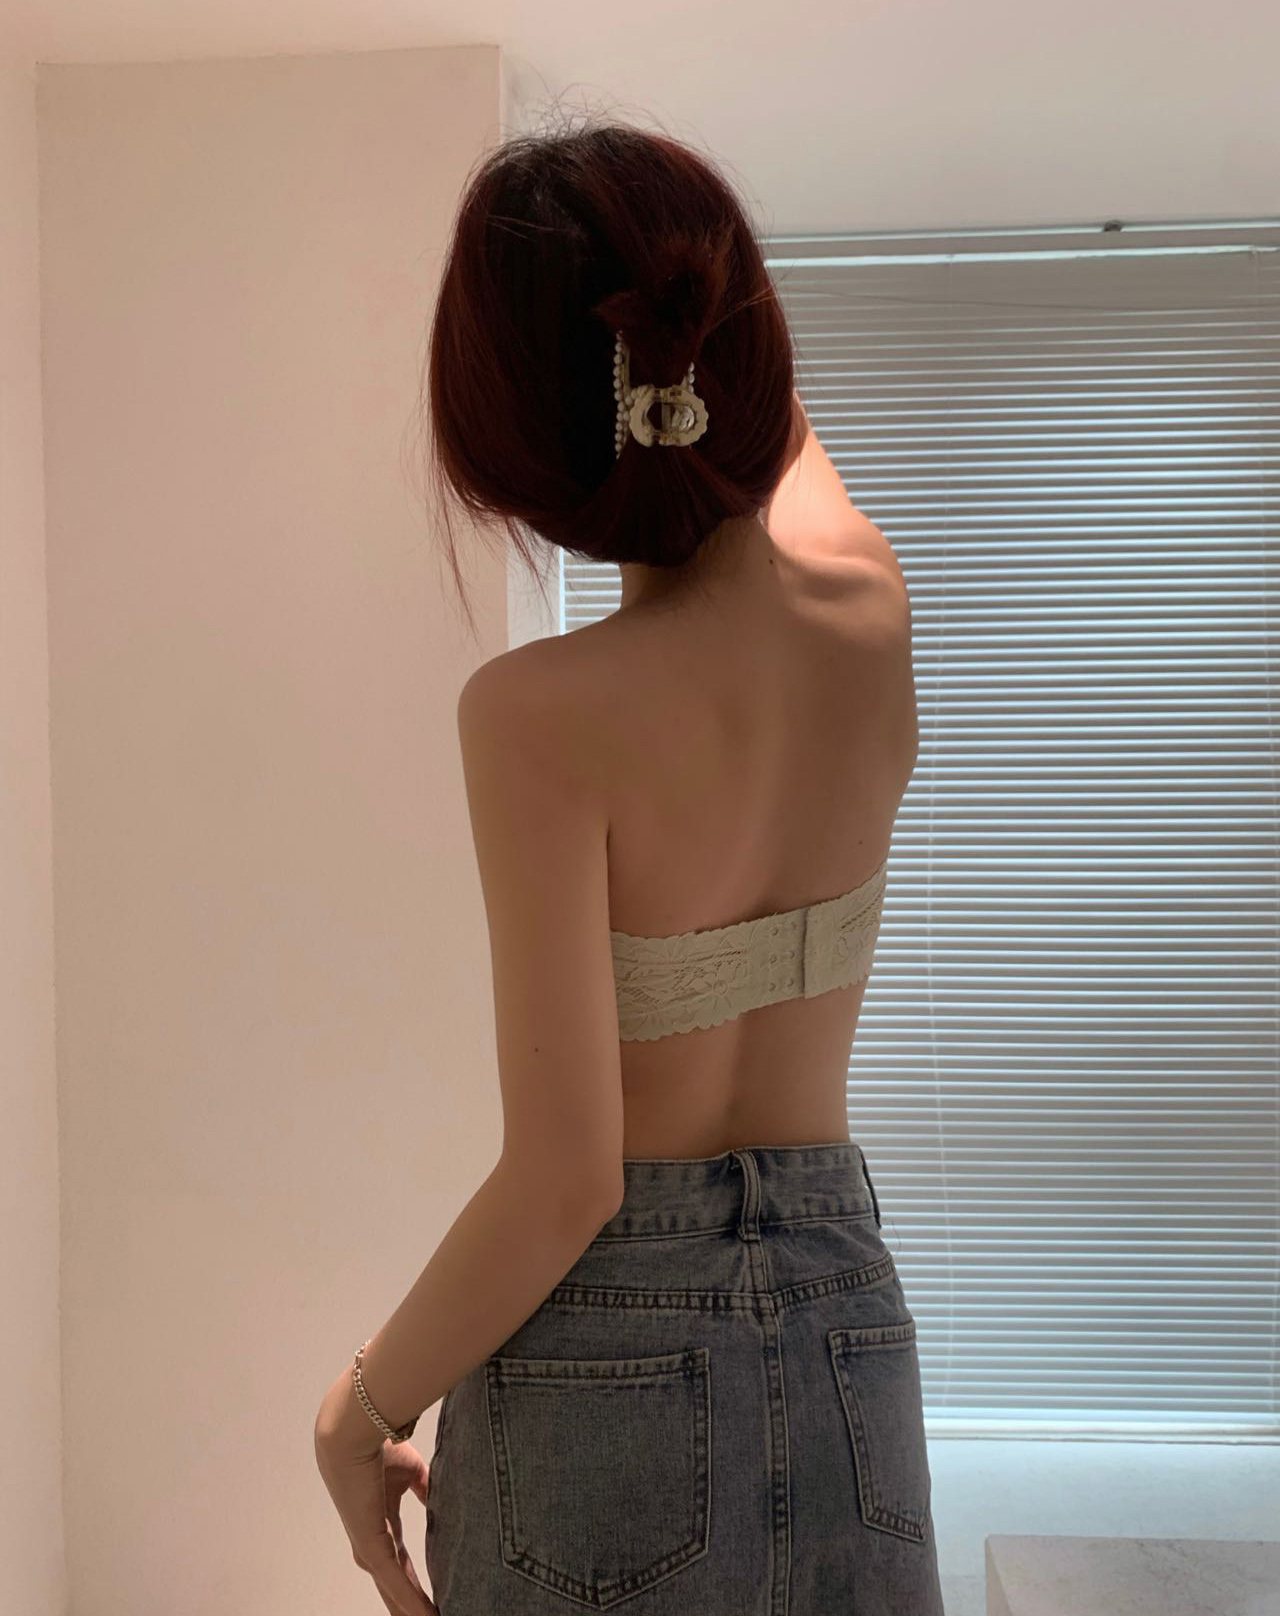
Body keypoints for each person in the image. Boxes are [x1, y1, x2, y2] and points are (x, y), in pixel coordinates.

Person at [313, 115, 945, 1616]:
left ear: (514, 438)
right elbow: (773, 428)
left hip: (604, 1360)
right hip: (847, 1323)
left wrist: (358, 1413)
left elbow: (567, 1181)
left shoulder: (540, 716)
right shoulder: (872, 613)